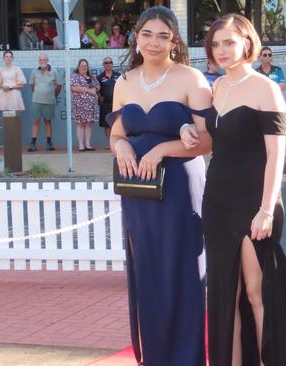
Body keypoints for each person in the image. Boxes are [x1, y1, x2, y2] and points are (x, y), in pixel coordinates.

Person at [180, 13, 286, 366]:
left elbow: (276, 155)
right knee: (223, 295)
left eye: (229, 42)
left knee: (255, 290)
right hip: (217, 203)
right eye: (216, 44)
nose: (222, 50)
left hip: (254, 203)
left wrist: (266, 209)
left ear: (247, 43)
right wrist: (190, 131)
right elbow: (212, 140)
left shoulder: (266, 88)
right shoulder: (216, 87)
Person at [107, 6, 210, 365]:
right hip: (139, 192)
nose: (154, 42)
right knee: (148, 271)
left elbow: (209, 140)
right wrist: (120, 145)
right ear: (136, 37)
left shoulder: (190, 78)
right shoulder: (124, 82)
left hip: (181, 191)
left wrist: (163, 148)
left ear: (174, 40)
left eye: (162, 35)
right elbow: (117, 133)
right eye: (147, 34)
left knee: (183, 272)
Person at [28, 53, 62, 152]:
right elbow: (32, 85)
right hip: (36, 101)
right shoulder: (34, 72)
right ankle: (33, 143)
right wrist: (38, 93)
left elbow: (59, 86)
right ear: (39, 61)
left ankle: (49, 143)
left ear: (47, 60)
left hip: (49, 101)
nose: (42, 61)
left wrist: (53, 95)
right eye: (40, 60)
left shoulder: (54, 71)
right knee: (35, 121)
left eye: (44, 59)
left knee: (48, 121)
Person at [70, 59, 99, 151]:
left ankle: (88, 144)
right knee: (81, 124)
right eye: (82, 65)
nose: (83, 67)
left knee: (89, 124)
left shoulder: (92, 77)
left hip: (91, 106)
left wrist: (95, 89)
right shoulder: (75, 76)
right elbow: (74, 87)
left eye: (85, 66)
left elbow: (98, 86)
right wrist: (89, 90)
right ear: (78, 67)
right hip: (80, 105)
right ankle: (81, 145)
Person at [96, 56, 120, 147]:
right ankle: (110, 143)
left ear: (112, 64)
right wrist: (99, 97)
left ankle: (116, 143)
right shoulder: (99, 77)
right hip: (105, 104)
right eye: (106, 63)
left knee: (116, 124)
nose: (108, 64)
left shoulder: (118, 75)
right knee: (107, 125)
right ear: (103, 65)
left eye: (110, 62)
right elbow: (96, 90)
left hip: (117, 104)